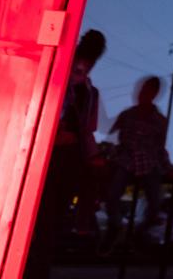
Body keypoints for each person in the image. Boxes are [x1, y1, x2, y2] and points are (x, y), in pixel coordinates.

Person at [26, 29, 107, 276]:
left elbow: (86, 129)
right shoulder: (61, 77)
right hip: (50, 155)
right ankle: (34, 266)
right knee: (43, 218)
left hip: (69, 158)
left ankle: (38, 266)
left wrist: (91, 154)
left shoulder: (89, 92)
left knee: (50, 220)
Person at [102, 75, 172, 250]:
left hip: (148, 162)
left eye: (147, 91)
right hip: (125, 159)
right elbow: (111, 138)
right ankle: (116, 226)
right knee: (112, 194)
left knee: (156, 203)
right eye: (142, 90)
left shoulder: (159, 121)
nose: (142, 94)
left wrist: (168, 167)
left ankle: (136, 233)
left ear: (154, 94)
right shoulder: (127, 115)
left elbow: (160, 148)